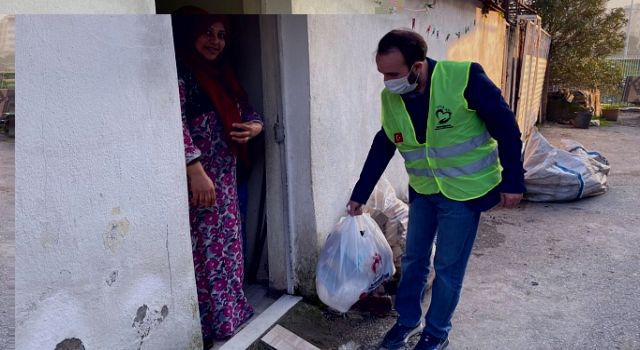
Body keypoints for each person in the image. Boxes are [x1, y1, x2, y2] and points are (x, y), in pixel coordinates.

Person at [347, 29, 525, 350]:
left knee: (447, 267)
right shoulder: (392, 98)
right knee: (414, 259)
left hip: (464, 192)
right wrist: (360, 194)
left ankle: (437, 332)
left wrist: (514, 180)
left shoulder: (463, 78)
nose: (387, 81)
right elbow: (384, 144)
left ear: (417, 66)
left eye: (393, 73)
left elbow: (506, 126)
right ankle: (407, 320)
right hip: (424, 191)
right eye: (382, 74)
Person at [172, 9, 264, 347]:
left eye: (221, 34)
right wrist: (195, 169)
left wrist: (255, 126)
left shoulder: (223, 73)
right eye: (207, 33)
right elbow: (174, 122)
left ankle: (230, 313)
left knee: (228, 247)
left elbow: (247, 109)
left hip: (227, 176)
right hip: (200, 181)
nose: (215, 41)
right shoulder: (180, 72)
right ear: (187, 33)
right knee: (207, 253)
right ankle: (213, 324)